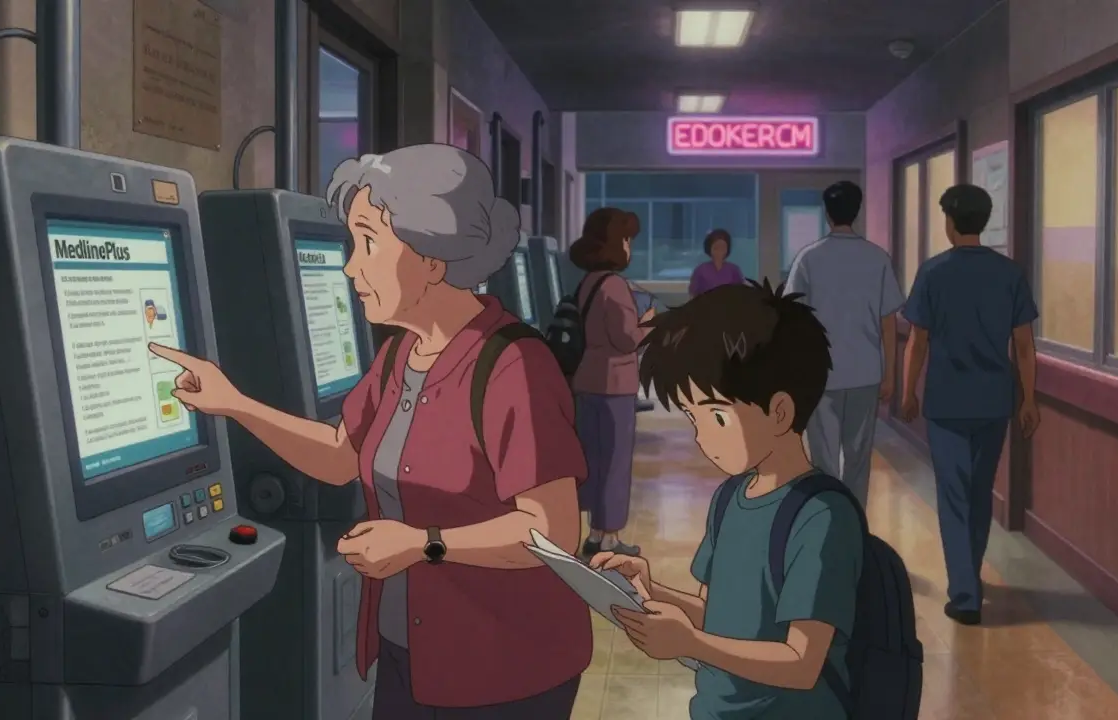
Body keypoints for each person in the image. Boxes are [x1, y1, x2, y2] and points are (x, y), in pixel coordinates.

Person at [149, 144, 591, 718]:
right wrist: (233, 404)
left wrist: (423, 544)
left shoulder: (513, 364)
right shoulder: (400, 355)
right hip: (409, 651)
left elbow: (552, 531)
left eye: (368, 243)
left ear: (431, 257)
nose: (351, 265)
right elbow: (339, 454)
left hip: (503, 668)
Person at [593, 282, 861, 719]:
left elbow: (802, 663)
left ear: (780, 412)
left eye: (716, 415)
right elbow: (716, 615)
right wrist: (649, 589)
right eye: (692, 417)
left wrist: (690, 643)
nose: (702, 437)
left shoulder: (822, 515)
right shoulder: (729, 497)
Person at [901, 183, 1040, 626]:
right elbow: (1023, 345)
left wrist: (908, 391)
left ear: (949, 221)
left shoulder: (933, 272)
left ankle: (964, 594)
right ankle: (970, 579)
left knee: (954, 496)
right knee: (979, 494)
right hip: (994, 402)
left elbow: (918, 340)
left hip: (946, 402)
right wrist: (1029, 399)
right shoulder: (1010, 273)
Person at [784, 181, 903, 508]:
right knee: (858, 460)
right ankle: (854, 525)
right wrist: (890, 374)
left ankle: (828, 524)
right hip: (866, 372)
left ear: (827, 214)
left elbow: (792, 320)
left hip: (821, 375)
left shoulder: (808, 258)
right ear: (857, 211)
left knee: (823, 461)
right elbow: (888, 321)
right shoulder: (877, 258)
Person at [570, 207, 655, 558]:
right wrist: (650, 322)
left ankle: (595, 533)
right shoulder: (616, 286)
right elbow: (627, 339)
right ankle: (609, 540)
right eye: (626, 239)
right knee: (616, 463)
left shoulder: (588, 282)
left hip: (585, 382)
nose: (629, 246)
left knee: (594, 460)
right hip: (614, 387)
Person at [688, 229, 745, 297]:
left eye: (723, 248)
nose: (719, 251)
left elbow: (740, 294)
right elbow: (694, 294)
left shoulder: (734, 270)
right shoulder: (700, 270)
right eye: (716, 248)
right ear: (709, 248)